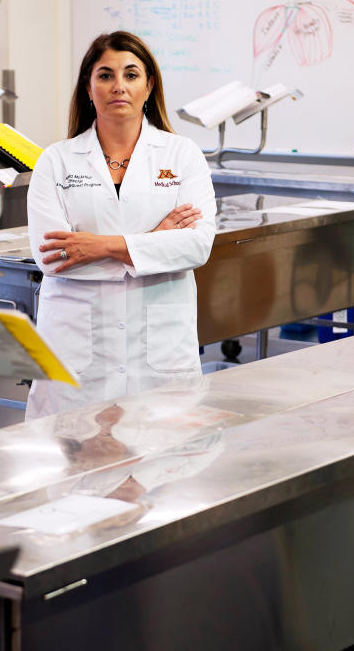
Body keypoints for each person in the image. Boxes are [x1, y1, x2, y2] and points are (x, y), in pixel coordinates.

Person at [25, 31, 216, 420]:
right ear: (89, 87)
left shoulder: (183, 155)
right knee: (72, 466)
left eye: (131, 75)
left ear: (149, 86)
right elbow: (53, 257)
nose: (119, 87)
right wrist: (151, 242)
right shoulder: (56, 161)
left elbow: (196, 247)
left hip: (158, 349)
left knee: (159, 465)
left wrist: (101, 247)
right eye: (105, 75)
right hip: (77, 349)